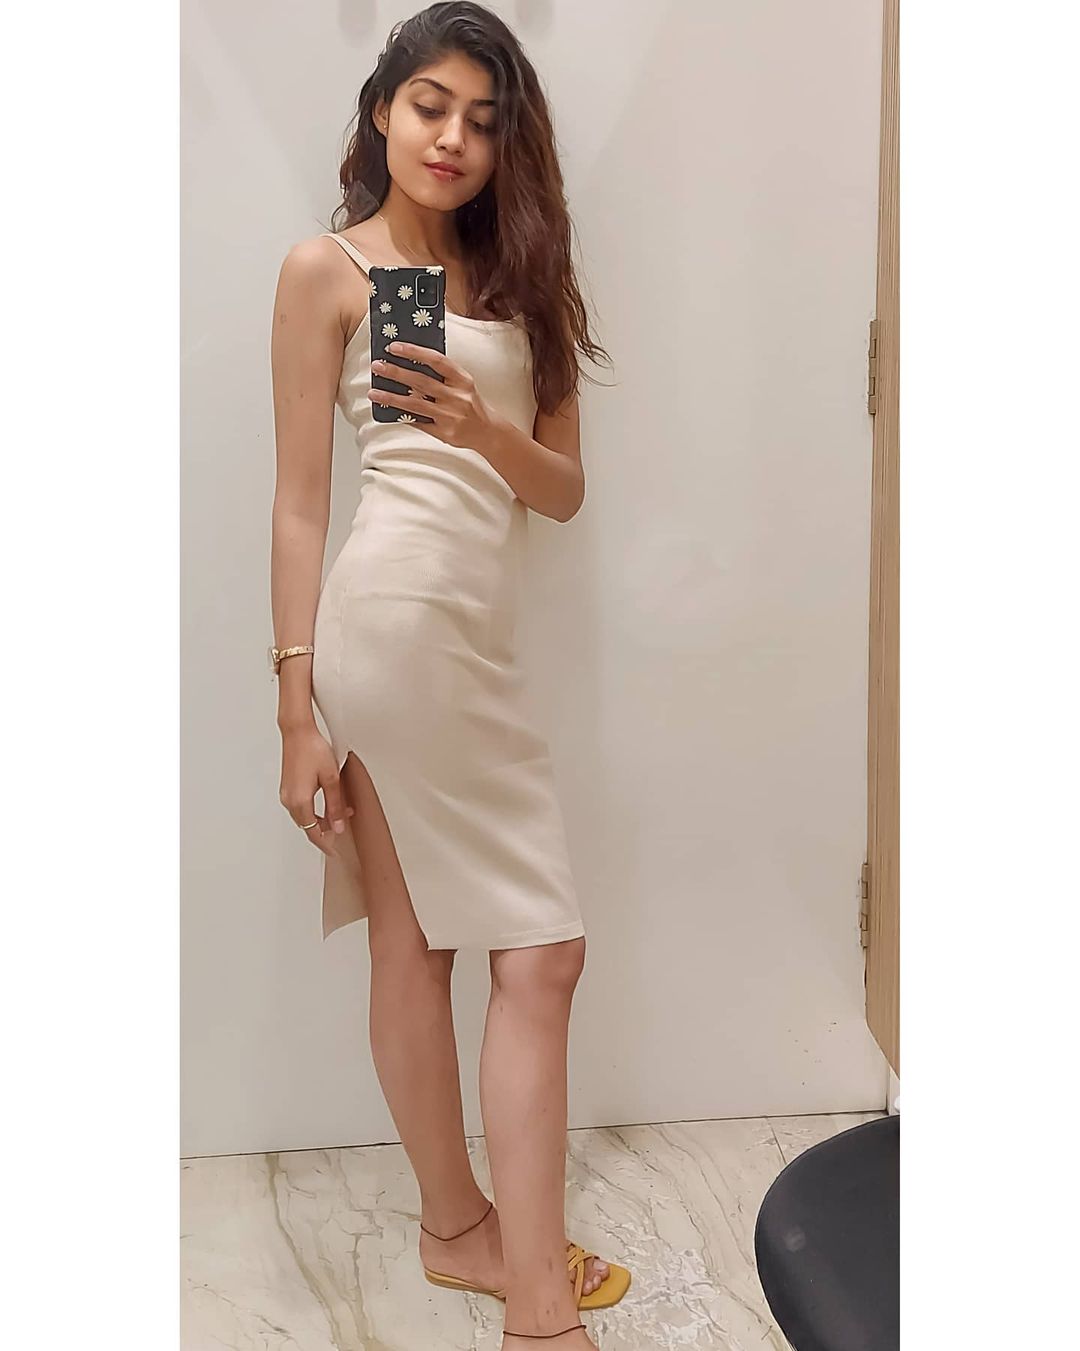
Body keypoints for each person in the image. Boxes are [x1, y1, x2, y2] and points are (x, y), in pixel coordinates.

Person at [268, 5, 627, 1346]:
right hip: (393, 624)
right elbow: (302, 502)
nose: (453, 139)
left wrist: (482, 425)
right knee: (543, 952)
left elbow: (564, 492)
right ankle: (537, 1304)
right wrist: (293, 709)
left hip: (476, 639)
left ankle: (459, 1229)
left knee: (419, 944)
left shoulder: (525, 280)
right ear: (382, 111)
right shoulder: (332, 270)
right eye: (430, 106)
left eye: (483, 119)